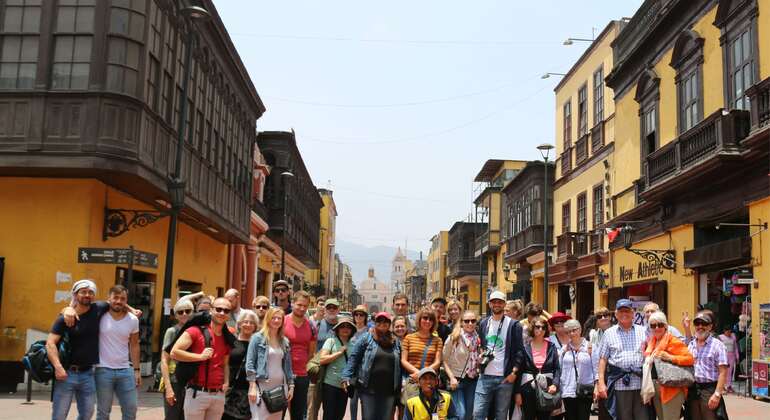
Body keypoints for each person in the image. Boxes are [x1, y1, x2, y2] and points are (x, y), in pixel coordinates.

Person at [47, 280, 109, 420]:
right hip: (67, 373)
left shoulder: (98, 308)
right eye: (83, 292)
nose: (87, 295)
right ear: (75, 294)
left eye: (90, 292)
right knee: (59, 415)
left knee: (87, 413)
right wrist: (58, 367)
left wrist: (132, 310)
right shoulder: (64, 318)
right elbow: (50, 343)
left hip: (88, 374)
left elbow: (117, 302)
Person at [170, 297, 233, 420]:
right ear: (211, 311)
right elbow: (174, 352)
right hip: (197, 393)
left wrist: (226, 382)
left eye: (226, 311)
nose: (222, 313)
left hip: (218, 394)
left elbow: (225, 364)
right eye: (219, 309)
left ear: (229, 315)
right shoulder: (195, 331)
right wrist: (200, 356)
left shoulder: (227, 336)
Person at [594, 299, 649, 420]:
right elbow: (602, 360)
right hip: (619, 384)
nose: (624, 314)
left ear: (633, 313)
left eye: (627, 311)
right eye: (621, 311)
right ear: (616, 314)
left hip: (641, 384)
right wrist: (601, 383)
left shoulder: (643, 331)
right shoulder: (608, 333)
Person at [342, 312, 402, 420]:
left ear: (389, 324)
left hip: (389, 391)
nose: (382, 323)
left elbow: (400, 364)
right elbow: (354, 358)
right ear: (375, 322)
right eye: (379, 320)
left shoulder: (395, 341)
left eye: (385, 321)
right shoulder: (367, 338)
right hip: (368, 389)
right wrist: (346, 376)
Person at [473, 290, 523, 420]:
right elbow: (481, 345)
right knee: (477, 413)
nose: (496, 304)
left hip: (504, 377)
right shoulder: (483, 323)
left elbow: (519, 351)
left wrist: (514, 373)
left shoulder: (513, 325)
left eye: (499, 302)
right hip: (485, 376)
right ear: (489, 304)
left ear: (504, 304)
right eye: (493, 302)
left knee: (501, 415)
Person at [642, 311, 693, 420]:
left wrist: (671, 358)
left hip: (671, 389)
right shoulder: (652, 342)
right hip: (655, 388)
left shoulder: (672, 341)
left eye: (660, 325)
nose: (656, 328)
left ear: (665, 326)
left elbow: (689, 359)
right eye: (653, 325)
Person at [246, 307, 294, 420]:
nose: (276, 320)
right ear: (268, 319)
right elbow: (250, 363)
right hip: (261, 387)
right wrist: (252, 386)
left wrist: (291, 385)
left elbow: (288, 366)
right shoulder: (257, 338)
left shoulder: (284, 341)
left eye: (279, 318)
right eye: (273, 318)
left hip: (280, 387)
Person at [682, 311, 729, 420]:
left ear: (710, 326)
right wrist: (687, 328)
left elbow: (723, 372)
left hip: (709, 389)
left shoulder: (718, 345)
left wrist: (717, 394)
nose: (700, 326)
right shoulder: (691, 344)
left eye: (704, 324)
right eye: (697, 323)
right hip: (693, 389)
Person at [515, 318, 560, 420]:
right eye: (537, 327)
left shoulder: (552, 347)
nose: (540, 330)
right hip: (528, 387)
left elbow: (557, 368)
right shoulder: (525, 348)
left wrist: (555, 384)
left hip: (547, 387)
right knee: (528, 417)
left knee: (545, 417)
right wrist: (517, 393)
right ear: (532, 328)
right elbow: (519, 371)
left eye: (543, 327)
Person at [283, 290, 316, 420]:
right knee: (277, 412)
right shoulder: (282, 321)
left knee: (298, 415)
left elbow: (311, 351)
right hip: (283, 374)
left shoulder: (311, 326)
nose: (302, 308)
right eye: (299, 305)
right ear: (292, 303)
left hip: (302, 376)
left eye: (305, 306)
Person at [442, 310, 480, 420]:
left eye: (473, 321)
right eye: (467, 321)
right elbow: (443, 360)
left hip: (472, 380)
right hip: (457, 380)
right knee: (460, 414)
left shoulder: (477, 338)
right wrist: (451, 378)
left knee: (469, 415)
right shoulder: (454, 337)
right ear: (461, 322)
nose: (470, 324)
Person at [401, 307, 444, 404]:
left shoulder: (438, 340)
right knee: (410, 410)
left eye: (431, 319)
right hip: (413, 380)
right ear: (419, 320)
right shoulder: (408, 338)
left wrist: (422, 374)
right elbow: (403, 360)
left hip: (429, 382)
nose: (428, 321)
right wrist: (418, 374)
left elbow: (437, 362)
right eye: (425, 318)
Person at [161, 298, 195, 419]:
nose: (184, 314)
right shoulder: (171, 331)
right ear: (175, 315)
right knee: (172, 416)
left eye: (188, 311)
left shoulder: (196, 330)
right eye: (180, 312)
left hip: (191, 381)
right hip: (174, 379)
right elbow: (164, 360)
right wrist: (168, 387)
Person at [222, 310, 259, 420]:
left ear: (255, 326)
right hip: (231, 389)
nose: (248, 325)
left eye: (252, 322)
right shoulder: (231, 341)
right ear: (239, 324)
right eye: (245, 322)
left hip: (250, 390)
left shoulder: (259, 344)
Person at [308, 298, 339, 420]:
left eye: (334, 307)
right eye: (329, 307)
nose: (331, 310)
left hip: (334, 373)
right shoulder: (317, 325)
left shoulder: (342, 327)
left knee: (331, 410)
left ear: (338, 309)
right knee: (312, 408)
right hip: (317, 372)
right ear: (324, 309)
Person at [556, 319, 593, 420]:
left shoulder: (590, 347)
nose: (571, 333)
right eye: (568, 332)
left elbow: (596, 369)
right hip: (567, 390)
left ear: (580, 329)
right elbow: (558, 369)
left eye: (574, 330)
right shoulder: (563, 350)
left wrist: (597, 386)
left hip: (585, 390)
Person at [319, 316, 355, 420]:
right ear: (337, 328)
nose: (345, 329)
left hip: (344, 386)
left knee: (339, 415)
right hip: (330, 384)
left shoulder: (353, 345)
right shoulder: (331, 341)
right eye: (342, 326)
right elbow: (322, 359)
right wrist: (339, 353)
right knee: (329, 415)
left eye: (348, 327)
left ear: (352, 330)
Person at [588, 306, 613, 420]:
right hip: (601, 375)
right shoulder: (593, 335)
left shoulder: (616, 331)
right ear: (596, 320)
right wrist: (596, 382)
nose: (603, 318)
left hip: (614, 374)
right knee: (603, 410)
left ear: (610, 317)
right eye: (599, 316)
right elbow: (593, 358)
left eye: (605, 315)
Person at [717, 326, 739, 393]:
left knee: (730, 372)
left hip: (731, 356)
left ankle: (729, 386)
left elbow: (735, 347)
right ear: (724, 331)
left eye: (730, 331)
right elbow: (718, 347)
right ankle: (722, 386)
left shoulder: (733, 336)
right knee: (723, 371)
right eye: (727, 332)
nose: (729, 333)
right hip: (723, 356)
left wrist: (737, 357)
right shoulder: (720, 337)